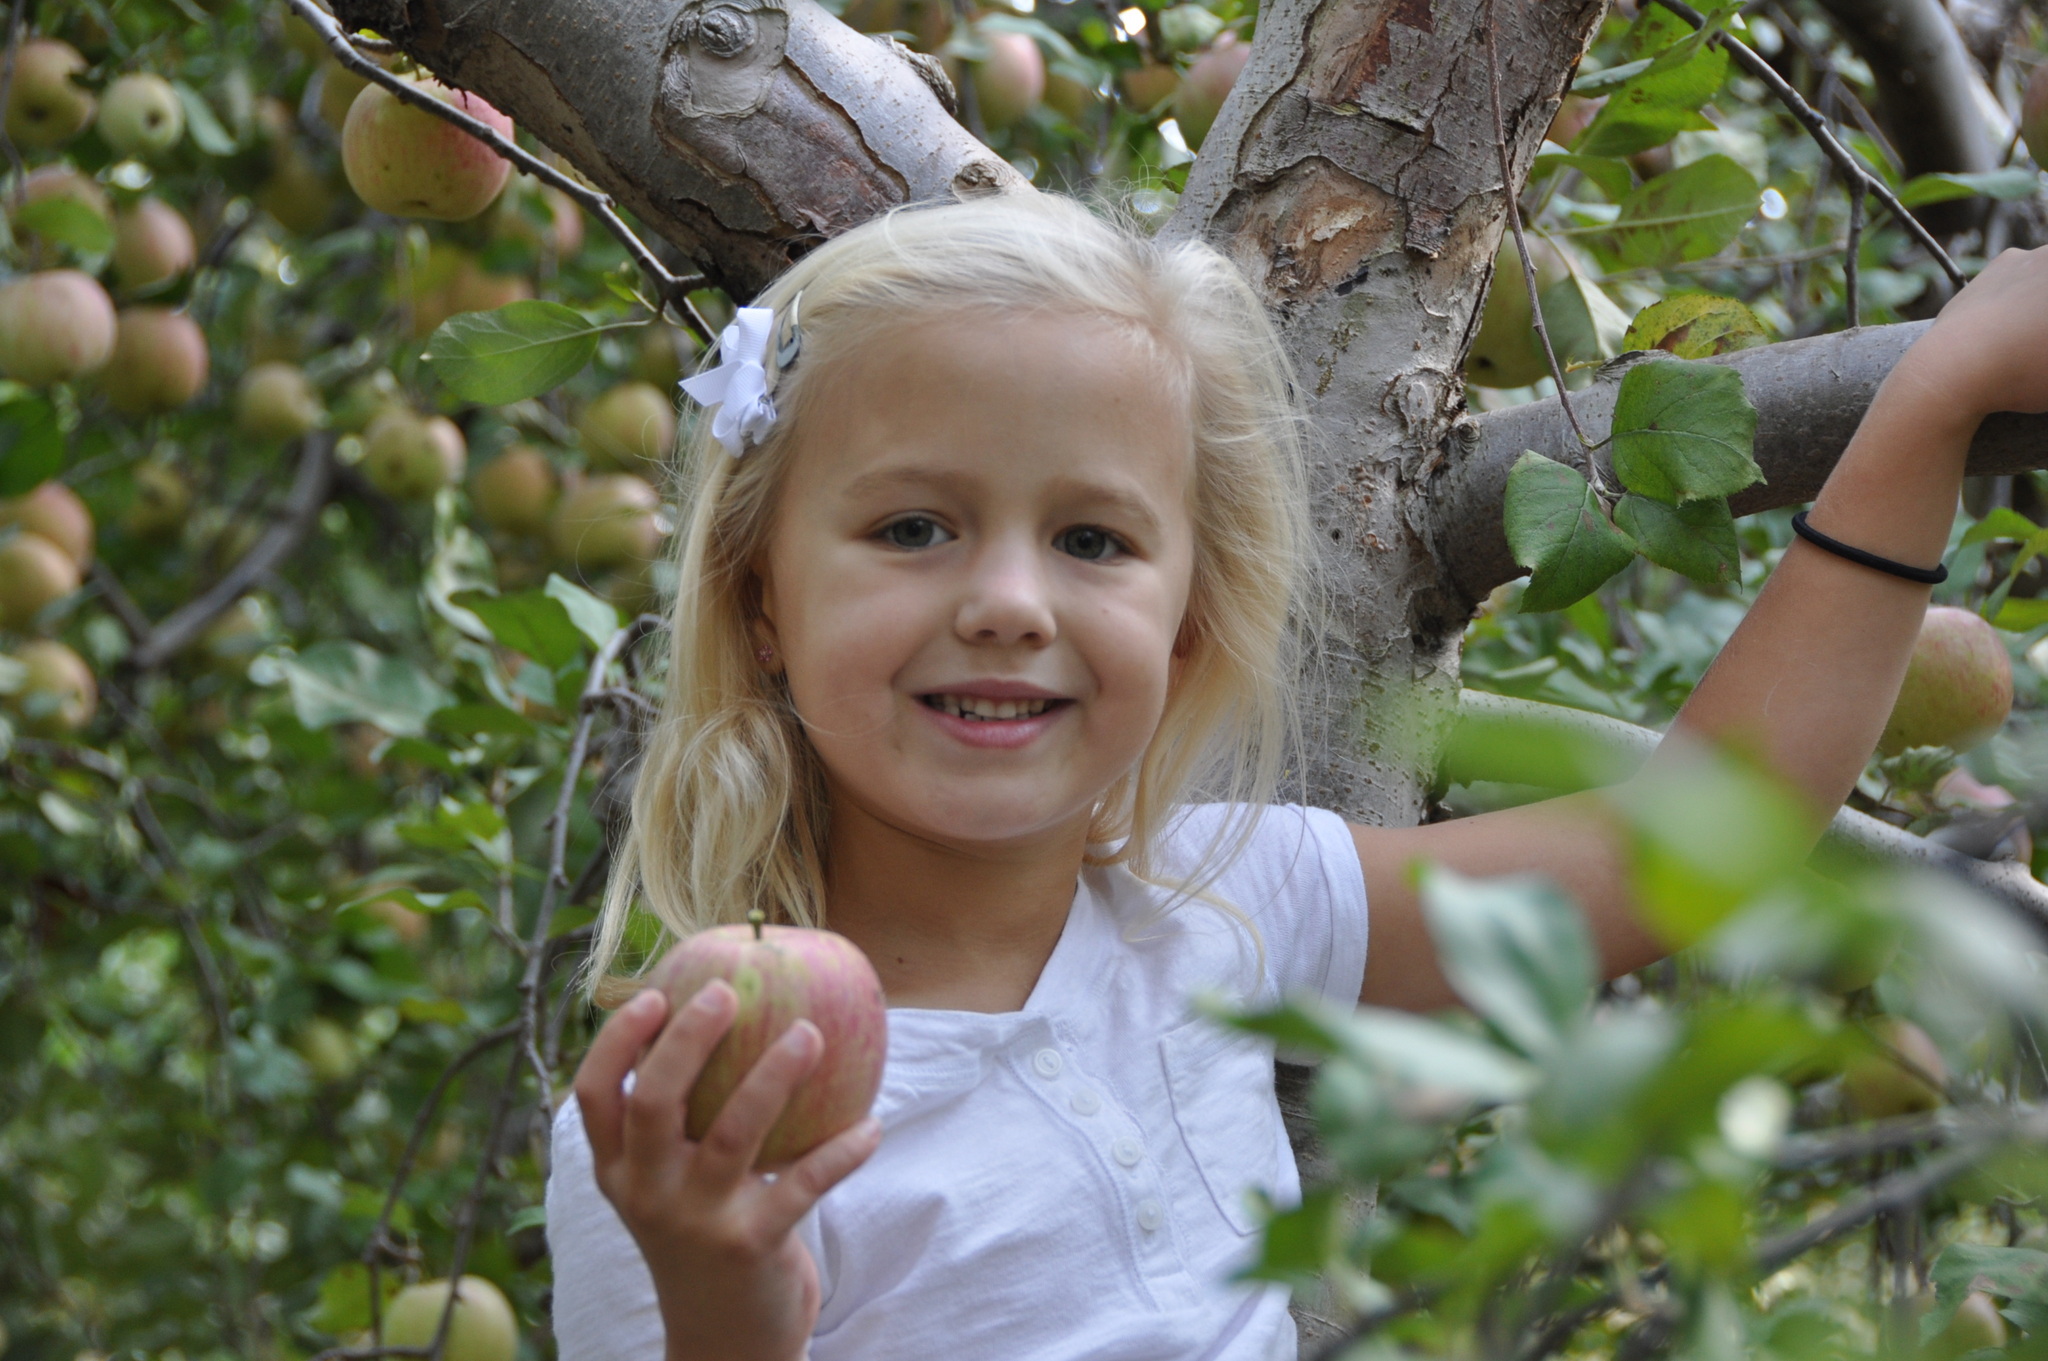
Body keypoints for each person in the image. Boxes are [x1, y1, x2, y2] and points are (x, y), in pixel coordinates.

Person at [546, 191, 2048, 1361]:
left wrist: (1930, 398)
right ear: (758, 595)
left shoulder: (1219, 903)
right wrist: (723, 1291)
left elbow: (1704, 835)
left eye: (1092, 541)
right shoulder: (699, 1112)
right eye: (913, 527)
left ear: (1187, 615)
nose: (1009, 598)